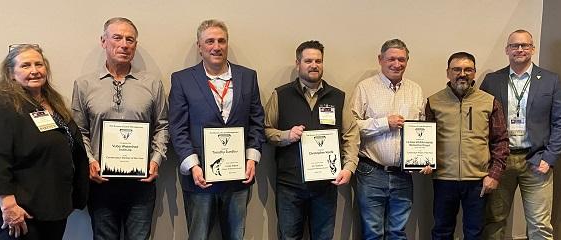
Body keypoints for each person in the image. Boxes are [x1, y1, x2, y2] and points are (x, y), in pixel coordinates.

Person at [71, 17, 168, 240]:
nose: (124, 44)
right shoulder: (84, 84)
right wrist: (89, 161)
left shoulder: (152, 83)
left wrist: (155, 160)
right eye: (117, 38)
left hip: (141, 184)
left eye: (130, 40)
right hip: (101, 184)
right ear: (103, 41)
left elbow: (162, 125)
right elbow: (79, 130)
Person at [169, 19, 265, 240]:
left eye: (221, 41)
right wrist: (193, 166)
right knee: (199, 236)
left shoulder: (247, 76)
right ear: (199, 46)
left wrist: (252, 159)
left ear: (227, 44)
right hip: (199, 177)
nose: (216, 46)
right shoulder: (182, 79)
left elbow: (257, 121)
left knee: (236, 236)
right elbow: (178, 127)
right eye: (210, 41)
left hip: (238, 175)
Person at [0, 44, 89, 240]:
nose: (34, 70)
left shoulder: (53, 104)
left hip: (52, 206)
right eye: (25, 65)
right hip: (20, 210)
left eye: (39, 64)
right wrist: (8, 205)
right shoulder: (3, 106)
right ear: (11, 73)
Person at [264, 40, 359, 240]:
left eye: (318, 60)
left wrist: (349, 168)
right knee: (289, 237)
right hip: (290, 185)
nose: (314, 65)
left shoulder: (338, 97)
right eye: (308, 60)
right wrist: (286, 136)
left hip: (326, 185)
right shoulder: (281, 94)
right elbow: (265, 130)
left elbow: (350, 134)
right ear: (298, 63)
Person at [481, 30, 561, 240]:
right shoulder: (492, 81)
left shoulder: (550, 80)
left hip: (537, 161)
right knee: (494, 221)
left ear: (532, 49)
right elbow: (481, 121)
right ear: (507, 50)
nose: (519, 49)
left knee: (540, 224)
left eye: (525, 45)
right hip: (500, 160)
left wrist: (549, 158)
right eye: (514, 45)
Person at [351, 39, 432, 240]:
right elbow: (351, 127)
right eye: (391, 59)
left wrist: (425, 159)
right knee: (373, 233)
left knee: (398, 232)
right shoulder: (365, 88)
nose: (397, 64)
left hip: (403, 175)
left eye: (401, 59)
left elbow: (421, 129)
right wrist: (383, 123)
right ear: (380, 60)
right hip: (371, 171)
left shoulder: (416, 90)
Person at [426, 52, 509, 240]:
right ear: (448, 73)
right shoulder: (434, 101)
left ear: (474, 73)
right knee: (441, 230)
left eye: (468, 69)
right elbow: (425, 139)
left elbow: (501, 141)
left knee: (475, 232)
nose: (462, 74)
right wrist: (424, 160)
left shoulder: (489, 102)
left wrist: (494, 175)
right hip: (444, 179)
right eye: (457, 69)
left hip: (478, 180)